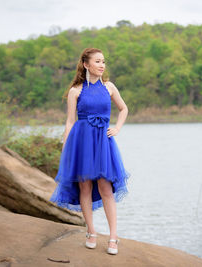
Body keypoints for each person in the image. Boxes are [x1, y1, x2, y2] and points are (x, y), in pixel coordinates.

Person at [49, 47, 131, 255]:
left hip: (103, 141)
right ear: (86, 64)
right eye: (97, 61)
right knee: (84, 187)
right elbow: (70, 122)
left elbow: (124, 108)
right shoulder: (76, 91)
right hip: (82, 142)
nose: (102, 65)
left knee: (105, 188)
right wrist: (66, 148)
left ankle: (113, 237)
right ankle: (91, 232)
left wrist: (118, 127)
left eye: (103, 61)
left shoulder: (109, 87)